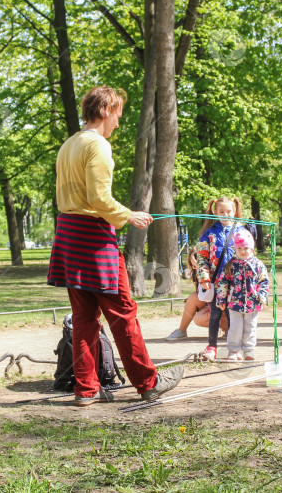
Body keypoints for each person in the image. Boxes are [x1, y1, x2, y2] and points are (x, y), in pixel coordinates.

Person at [47, 86, 183, 406]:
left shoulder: (68, 145)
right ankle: (149, 383)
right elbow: (98, 199)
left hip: (68, 233)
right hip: (93, 237)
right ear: (106, 110)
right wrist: (129, 215)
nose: (118, 123)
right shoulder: (99, 146)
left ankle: (86, 390)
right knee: (123, 313)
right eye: (118, 115)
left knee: (83, 318)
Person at [197, 196, 244, 359]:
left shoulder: (241, 231)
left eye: (229, 211)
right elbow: (202, 257)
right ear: (215, 212)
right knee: (215, 314)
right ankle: (212, 347)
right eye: (221, 211)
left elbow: (249, 255)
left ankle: (234, 348)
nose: (225, 214)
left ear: (235, 211)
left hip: (236, 282)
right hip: (216, 282)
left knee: (234, 314)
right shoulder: (208, 233)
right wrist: (204, 277)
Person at [215, 231, 269, 360]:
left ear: (251, 248)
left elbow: (264, 281)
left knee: (250, 328)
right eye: (239, 248)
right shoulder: (231, 265)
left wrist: (261, 295)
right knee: (235, 328)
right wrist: (221, 299)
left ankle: (248, 351)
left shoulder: (258, 265)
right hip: (235, 302)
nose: (243, 251)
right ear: (235, 249)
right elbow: (223, 282)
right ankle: (233, 351)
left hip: (253, 303)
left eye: (246, 248)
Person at [165, 249, 228, 340]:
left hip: (224, 305)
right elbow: (204, 295)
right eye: (193, 263)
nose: (195, 266)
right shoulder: (196, 273)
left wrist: (201, 269)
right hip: (212, 305)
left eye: (198, 260)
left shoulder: (218, 270)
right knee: (193, 298)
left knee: (200, 317)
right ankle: (182, 330)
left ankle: (228, 329)